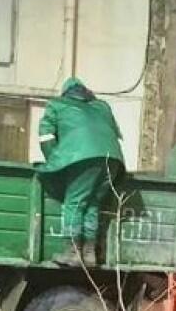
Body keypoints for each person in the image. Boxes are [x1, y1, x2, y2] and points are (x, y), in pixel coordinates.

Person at [37, 77, 126, 267]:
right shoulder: (102, 107)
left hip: (82, 158)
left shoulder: (56, 105)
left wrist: (55, 162)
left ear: (65, 93)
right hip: (113, 159)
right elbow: (114, 133)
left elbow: (46, 137)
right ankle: (89, 253)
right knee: (92, 202)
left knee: (75, 202)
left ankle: (72, 252)